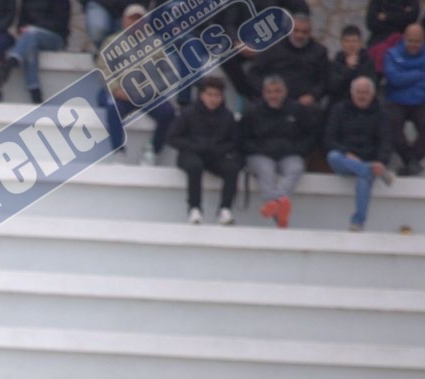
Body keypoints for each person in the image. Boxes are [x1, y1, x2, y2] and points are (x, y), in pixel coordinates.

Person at [97, 3, 174, 164]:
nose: (135, 23)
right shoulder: (111, 42)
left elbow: (168, 72)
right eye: (131, 19)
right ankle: (119, 152)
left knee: (168, 112)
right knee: (113, 108)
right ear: (124, 21)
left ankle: (152, 151)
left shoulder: (155, 43)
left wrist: (151, 90)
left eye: (139, 20)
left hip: (147, 95)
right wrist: (116, 89)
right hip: (121, 94)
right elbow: (103, 69)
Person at [242, 74, 318, 226]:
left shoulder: (297, 110)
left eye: (277, 91)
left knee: (296, 168)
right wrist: (259, 149)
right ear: (263, 93)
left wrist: (298, 150)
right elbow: (242, 139)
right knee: (265, 169)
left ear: (285, 92)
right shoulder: (252, 111)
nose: (273, 95)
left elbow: (312, 134)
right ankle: (278, 209)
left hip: (289, 154)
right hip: (260, 155)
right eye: (269, 92)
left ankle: (274, 202)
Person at [325, 75, 396, 229]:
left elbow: (386, 141)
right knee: (333, 156)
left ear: (372, 94)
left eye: (365, 92)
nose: (361, 96)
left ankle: (358, 222)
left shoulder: (381, 113)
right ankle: (369, 170)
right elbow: (329, 139)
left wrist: (381, 161)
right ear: (352, 93)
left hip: (368, 159)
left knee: (364, 176)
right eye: (358, 92)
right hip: (344, 160)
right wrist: (347, 153)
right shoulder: (339, 110)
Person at [168, 77, 242, 224]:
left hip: (216, 156)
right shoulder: (188, 113)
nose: (213, 99)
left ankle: (225, 209)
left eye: (217, 95)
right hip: (190, 153)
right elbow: (172, 138)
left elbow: (235, 141)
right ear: (201, 95)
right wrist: (195, 145)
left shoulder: (227, 116)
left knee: (232, 168)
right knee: (195, 166)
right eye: (209, 94)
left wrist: (220, 148)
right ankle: (194, 208)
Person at [383, 23, 425, 173]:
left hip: (423, 101)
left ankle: (412, 161)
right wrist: (419, 74)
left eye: (417, 41)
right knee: (392, 123)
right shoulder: (391, 54)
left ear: (423, 40)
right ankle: (410, 161)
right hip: (396, 100)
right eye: (410, 41)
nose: (413, 45)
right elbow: (394, 79)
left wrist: (407, 83)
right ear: (404, 38)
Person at [250, 10, 331, 109]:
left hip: (304, 104)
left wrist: (313, 96)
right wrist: (268, 92)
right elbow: (254, 73)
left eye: (304, 32)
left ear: (310, 32)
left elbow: (324, 80)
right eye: (296, 31)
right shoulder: (272, 48)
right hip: (274, 100)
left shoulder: (319, 51)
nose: (300, 35)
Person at [6, 0, 70, 101]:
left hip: (55, 38)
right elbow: (21, 22)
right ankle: (35, 91)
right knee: (30, 44)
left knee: (31, 34)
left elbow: (60, 23)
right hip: (31, 37)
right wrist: (22, 28)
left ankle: (13, 59)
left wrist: (35, 27)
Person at [331, 23, 381, 105]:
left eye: (354, 41)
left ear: (360, 43)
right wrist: (348, 69)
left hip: (362, 102)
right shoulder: (337, 61)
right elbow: (334, 87)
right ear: (342, 43)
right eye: (347, 41)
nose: (351, 45)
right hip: (340, 102)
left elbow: (372, 85)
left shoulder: (368, 61)